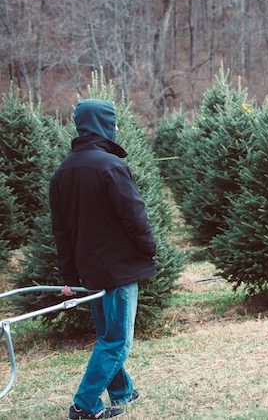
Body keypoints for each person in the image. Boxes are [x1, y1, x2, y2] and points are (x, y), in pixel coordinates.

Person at [50, 99, 157, 419]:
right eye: (114, 123)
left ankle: (122, 391)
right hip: (119, 270)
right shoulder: (111, 166)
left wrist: (69, 275)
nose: (117, 129)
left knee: (107, 336)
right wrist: (148, 249)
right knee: (117, 341)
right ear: (103, 126)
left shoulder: (63, 171)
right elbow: (134, 216)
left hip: (90, 271)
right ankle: (84, 405)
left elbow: (62, 232)